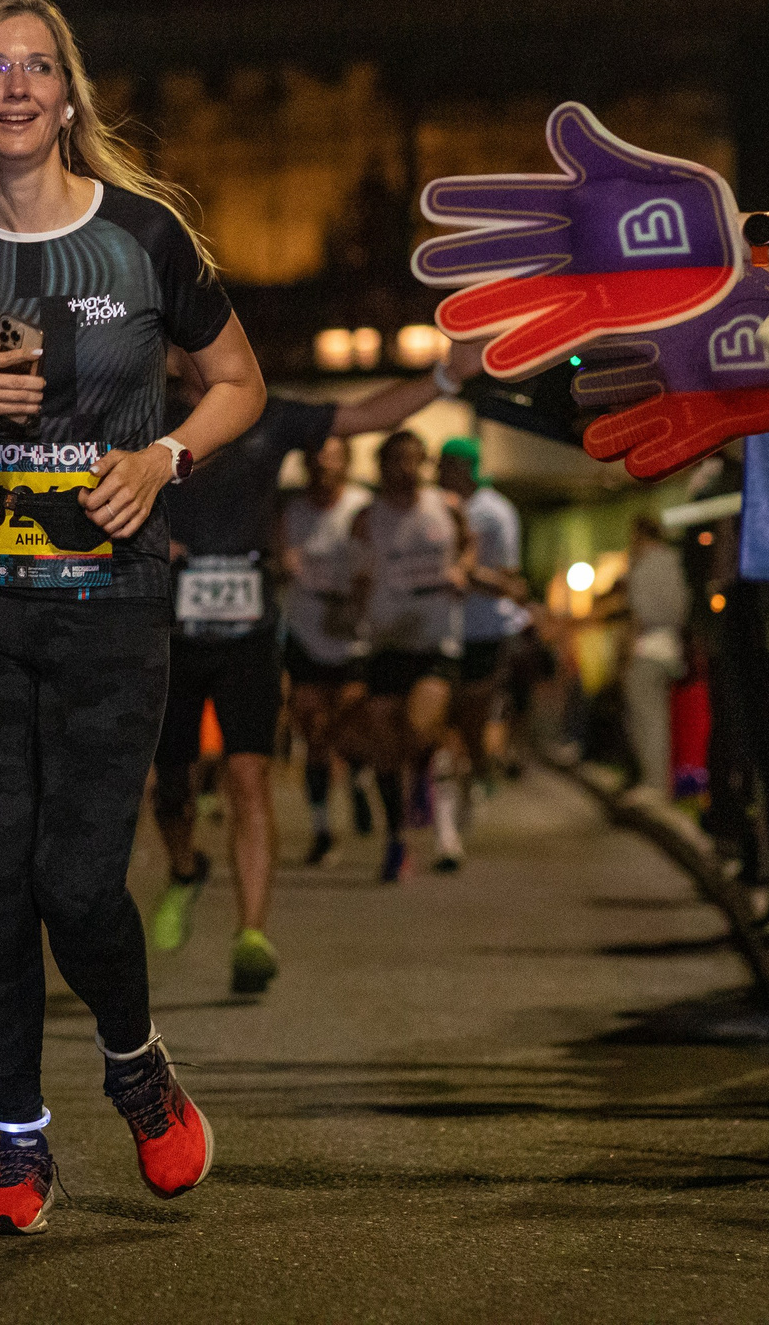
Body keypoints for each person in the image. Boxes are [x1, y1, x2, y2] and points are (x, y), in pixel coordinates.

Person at [0, 0, 264, 1234]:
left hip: (110, 607)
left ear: (69, 94)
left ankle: (136, 1065)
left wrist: (164, 462)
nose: (19, 88)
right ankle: (18, 1146)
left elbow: (240, 381)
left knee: (78, 881)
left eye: (41, 68)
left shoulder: (142, 238)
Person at [150, 344, 482, 990]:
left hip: (248, 628)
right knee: (173, 786)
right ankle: (186, 868)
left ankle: (252, 931)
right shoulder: (141, 413)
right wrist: (143, 540)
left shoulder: (261, 413)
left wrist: (448, 375)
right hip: (168, 629)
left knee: (249, 775)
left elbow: (363, 415)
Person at [346, 429, 471, 883]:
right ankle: (396, 837)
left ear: (425, 464)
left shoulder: (447, 508)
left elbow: (469, 547)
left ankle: (442, 820)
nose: (405, 469)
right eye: (395, 460)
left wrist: (462, 569)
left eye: (414, 460)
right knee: (385, 750)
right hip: (384, 641)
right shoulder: (366, 518)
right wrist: (355, 607)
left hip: (435, 641)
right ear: (380, 466)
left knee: (420, 729)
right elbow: (357, 573)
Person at [430, 435, 530, 869]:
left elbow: (511, 583)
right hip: (436, 633)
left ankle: (476, 776)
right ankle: (445, 829)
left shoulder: (496, 512)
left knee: (471, 725)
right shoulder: (431, 506)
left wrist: (466, 573)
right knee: (439, 729)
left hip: (483, 633)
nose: (443, 471)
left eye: (451, 464)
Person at [281, 434, 372, 868]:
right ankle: (322, 829)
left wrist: (356, 598)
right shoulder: (291, 510)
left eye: (332, 456)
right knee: (314, 733)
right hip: (305, 632)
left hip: (354, 633)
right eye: (316, 456)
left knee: (351, 727)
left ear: (346, 461)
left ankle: (359, 776)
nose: (324, 464)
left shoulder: (362, 507)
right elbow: (280, 556)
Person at [619, 513, 689, 795]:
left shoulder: (642, 565)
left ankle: (654, 785)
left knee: (646, 720)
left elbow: (637, 614)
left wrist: (624, 653)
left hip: (647, 648)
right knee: (662, 719)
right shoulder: (674, 560)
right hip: (671, 647)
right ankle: (662, 783)